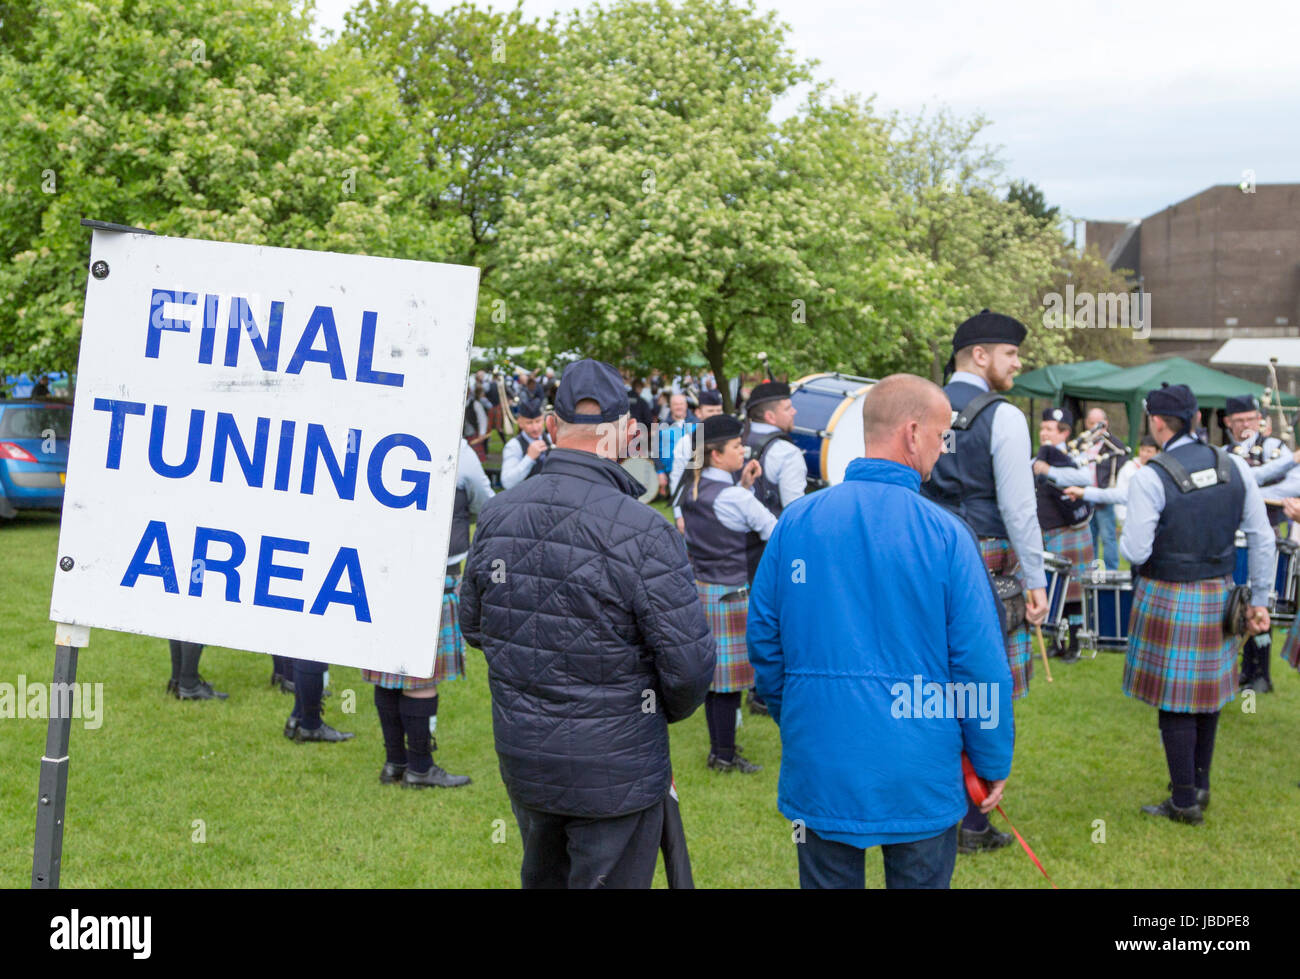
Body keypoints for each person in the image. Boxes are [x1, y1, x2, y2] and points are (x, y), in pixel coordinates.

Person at [747, 374, 1014, 889]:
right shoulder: (946, 534)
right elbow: (980, 662)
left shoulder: (799, 522)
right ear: (912, 434)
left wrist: (802, 716)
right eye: (939, 438)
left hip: (828, 754)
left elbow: (765, 642)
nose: (941, 453)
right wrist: (991, 757)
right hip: (916, 764)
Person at [460, 358, 715, 889]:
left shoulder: (504, 514)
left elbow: (477, 625)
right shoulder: (643, 530)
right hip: (604, 765)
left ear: (552, 428)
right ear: (625, 433)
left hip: (549, 756)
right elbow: (689, 668)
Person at [919, 309, 1046, 854]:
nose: (1018, 363)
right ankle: (971, 821)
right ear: (979, 355)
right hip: (987, 561)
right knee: (983, 685)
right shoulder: (1005, 416)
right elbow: (1019, 508)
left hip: (924, 555)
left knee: (936, 686)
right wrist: (1037, 577)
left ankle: (941, 810)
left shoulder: (919, 406)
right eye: (1011, 354)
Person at [1120, 384, 1273, 824]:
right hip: (1221, 592)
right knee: (1207, 697)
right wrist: (1259, 598)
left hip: (1169, 592)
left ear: (1158, 422)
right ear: (1197, 420)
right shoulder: (1236, 467)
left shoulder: (1152, 476)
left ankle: (1184, 801)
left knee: (1175, 700)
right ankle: (1198, 786)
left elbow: (1134, 550)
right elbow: (1262, 537)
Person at [361, 438, 489, 788]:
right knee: (420, 677)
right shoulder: (457, 449)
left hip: (385, 570)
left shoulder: (383, 433)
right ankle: (420, 767)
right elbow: (484, 500)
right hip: (433, 576)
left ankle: (394, 763)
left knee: (388, 672)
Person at [679, 414, 776, 773]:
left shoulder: (692, 485)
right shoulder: (734, 496)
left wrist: (745, 487)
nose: (743, 450)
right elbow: (774, 532)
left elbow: (726, 518)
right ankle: (723, 755)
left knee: (716, 681)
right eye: (736, 446)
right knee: (729, 684)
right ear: (717, 455)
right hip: (733, 593)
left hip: (703, 589)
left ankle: (721, 751)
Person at [1223, 394, 1293, 693]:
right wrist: (1257, 483)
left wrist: (1255, 489)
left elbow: (1296, 483)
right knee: (1235, 603)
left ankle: (1261, 672)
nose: (1246, 425)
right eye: (1239, 420)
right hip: (1232, 535)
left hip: (1268, 536)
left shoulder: (1277, 447)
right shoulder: (1224, 454)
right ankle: (1238, 670)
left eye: (1251, 419)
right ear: (1228, 423)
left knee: (1265, 599)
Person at [1031, 406, 1096, 662]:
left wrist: (1049, 471)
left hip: (1071, 531)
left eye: (1050, 429)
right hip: (1047, 531)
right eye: (1042, 428)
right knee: (1052, 590)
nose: (1044, 433)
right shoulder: (1037, 458)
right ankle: (1056, 641)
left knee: (1074, 593)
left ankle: (1075, 644)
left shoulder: (1074, 457)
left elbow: (1085, 478)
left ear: (1065, 432)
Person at [1065, 435, 1159, 527]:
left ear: (1157, 452)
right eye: (1142, 450)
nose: (1144, 454)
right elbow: (1118, 494)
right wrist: (1084, 492)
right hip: (1133, 521)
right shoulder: (1129, 468)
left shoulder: (1160, 472)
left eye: (1149, 451)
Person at [671, 389, 723, 534]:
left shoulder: (732, 440)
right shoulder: (686, 443)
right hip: (696, 509)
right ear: (699, 413)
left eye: (718, 411)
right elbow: (677, 479)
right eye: (710, 411)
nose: (715, 415)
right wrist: (679, 515)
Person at [1084, 408, 1122, 569]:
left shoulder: (1113, 445)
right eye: (1091, 423)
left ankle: (1111, 572)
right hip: (1085, 498)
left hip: (1104, 498)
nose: (1094, 427)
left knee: (1108, 537)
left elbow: (1120, 466)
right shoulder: (1083, 443)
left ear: (1105, 424)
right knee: (1089, 538)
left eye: (1097, 423)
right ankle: (1093, 573)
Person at [499, 399, 550, 490]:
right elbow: (507, 482)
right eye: (529, 423)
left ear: (543, 419)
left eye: (538, 421)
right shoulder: (514, 446)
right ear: (520, 422)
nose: (535, 428)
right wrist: (529, 458)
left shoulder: (551, 439)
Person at [655, 393, 695, 499]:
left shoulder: (697, 424)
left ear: (686, 405)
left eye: (681, 404)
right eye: (675, 404)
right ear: (670, 406)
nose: (679, 407)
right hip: (669, 473)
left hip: (691, 473)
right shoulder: (662, 426)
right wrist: (660, 472)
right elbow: (656, 452)